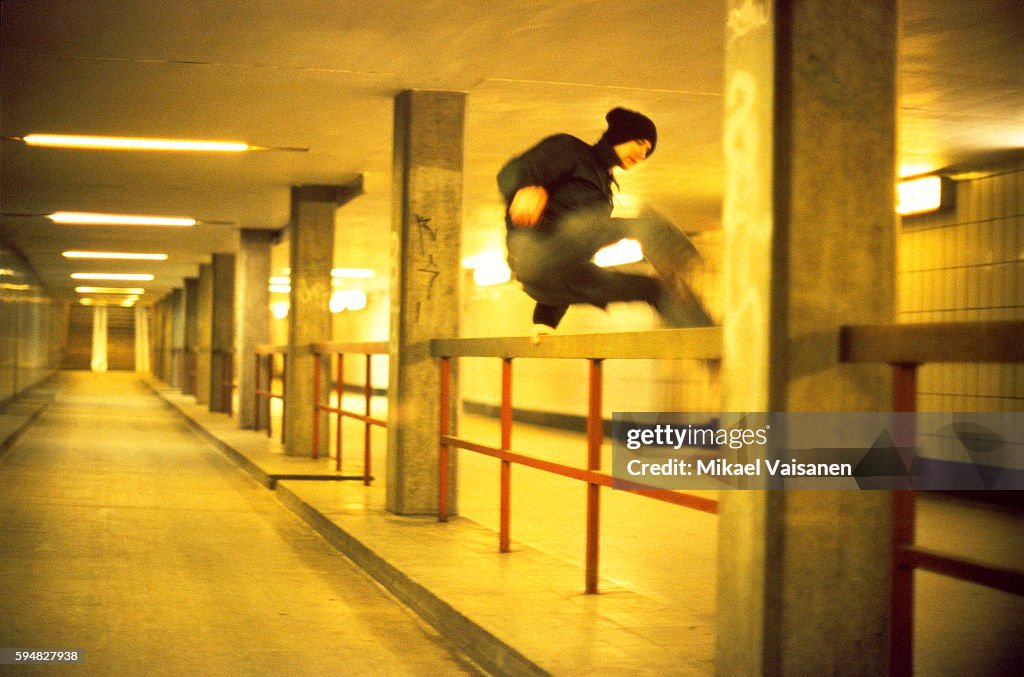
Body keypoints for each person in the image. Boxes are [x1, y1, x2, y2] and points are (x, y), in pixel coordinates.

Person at [497, 107, 712, 338]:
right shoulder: (570, 150)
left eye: (647, 151)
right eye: (639, 143)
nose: (642, 154)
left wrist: (545, 322)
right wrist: (526, 187)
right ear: (620, 135)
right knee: (639, 224)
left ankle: (712, 344)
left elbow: (570, 256)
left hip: (546, 282)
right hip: (532, 249)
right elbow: (511, 171)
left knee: (654, 289)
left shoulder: (604, 194)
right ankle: (694, 263)